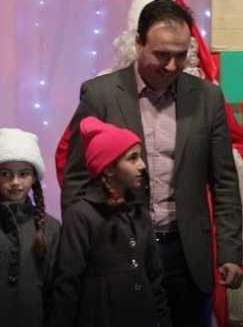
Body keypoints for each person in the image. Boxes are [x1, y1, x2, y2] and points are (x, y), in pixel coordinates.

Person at [60, 0, 243, 326]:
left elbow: (224, 181)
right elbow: (77, 178)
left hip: (187, 252)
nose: (171, 66)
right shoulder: (100, 95)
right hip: (119, 249)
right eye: (161, 55)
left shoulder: (207, 97)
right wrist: (84, 245)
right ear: (138, 43)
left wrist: (230, 251)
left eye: (180, 55)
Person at [47, 116, 169, 327]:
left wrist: (163, 320)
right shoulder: (81, 214)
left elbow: (155, 277)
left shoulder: (138, 211)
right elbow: (67, 283)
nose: (142, 165)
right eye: (132, 158)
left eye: (140, 157)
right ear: (109, 168)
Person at [0, 128, 61, 327]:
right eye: (5, 173)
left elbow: (56, 291)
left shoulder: (51, 228)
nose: (15, 182)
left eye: (24, 173)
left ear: (34, 177)